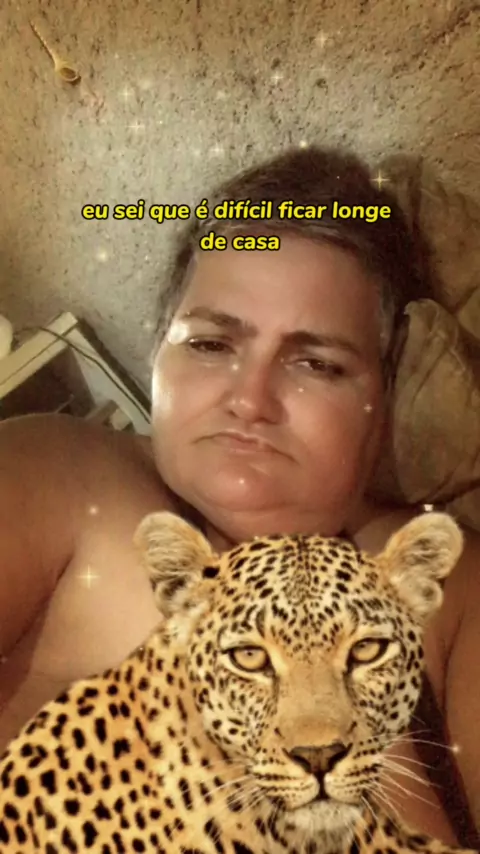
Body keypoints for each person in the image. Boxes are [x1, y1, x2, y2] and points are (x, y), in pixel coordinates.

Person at [1, 147, 479, 846]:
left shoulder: (443, 576)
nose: (249, 399)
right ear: (158, 355)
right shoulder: (65, 473)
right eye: (210, 344)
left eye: (316, 362)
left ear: (384, 398)